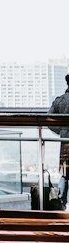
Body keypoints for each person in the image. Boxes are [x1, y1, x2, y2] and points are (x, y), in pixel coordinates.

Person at [49, 75, 69, 207]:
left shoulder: (60, 100)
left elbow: (49, 119)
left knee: (65, 173)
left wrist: (61, 131)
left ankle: (62, 201)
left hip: (66, 141)